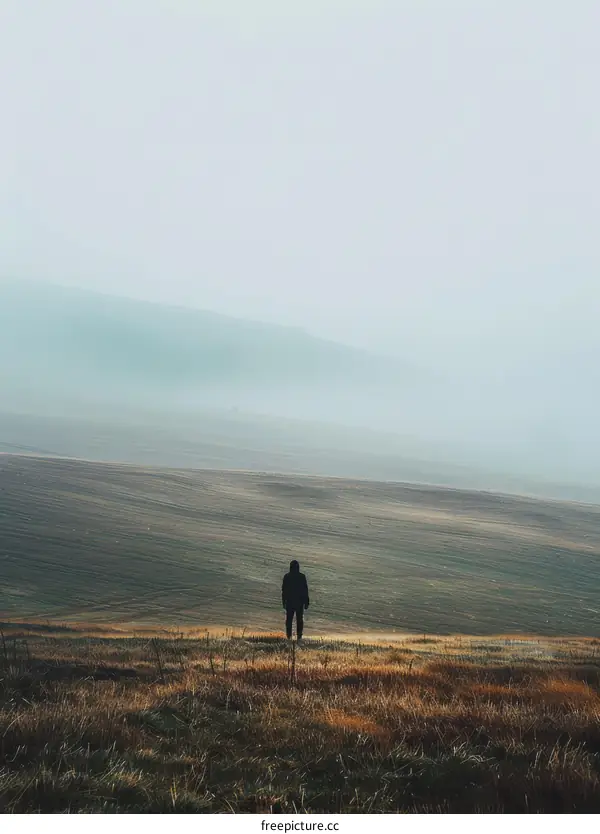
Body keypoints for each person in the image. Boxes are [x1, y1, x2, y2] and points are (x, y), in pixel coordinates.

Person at [282, 559, 310, 640]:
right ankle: (299, 636)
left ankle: (289, 636)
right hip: (299, 602)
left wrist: (284, 601)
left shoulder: (287, 576)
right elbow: (305, 590)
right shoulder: (301, 577)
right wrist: (306, 602)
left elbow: (284, 591)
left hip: (290, 602)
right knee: (299, 620)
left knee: (289, 620)